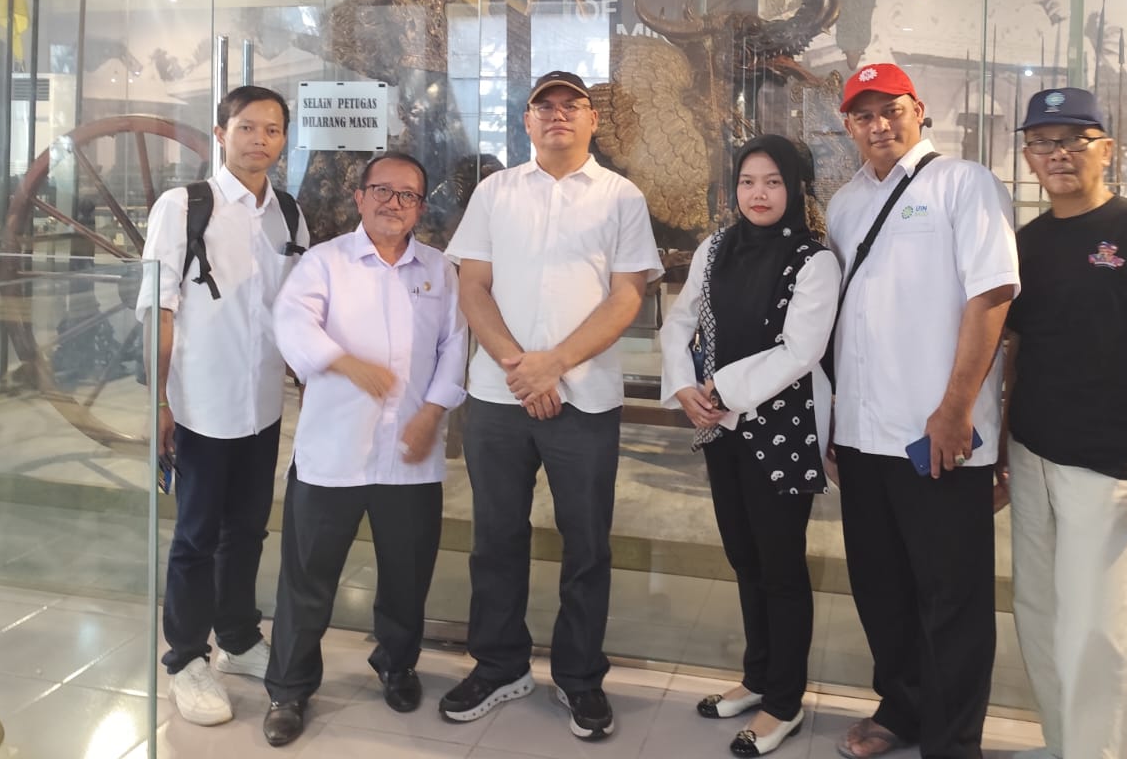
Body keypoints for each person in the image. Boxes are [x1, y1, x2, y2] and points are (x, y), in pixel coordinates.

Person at [440, 71, 663, 742]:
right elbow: (472, 286)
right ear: (527, 121)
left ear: (593, 120)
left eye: (572, 105)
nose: (558, 114)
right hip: (500, 395)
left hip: (584, 399)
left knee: (587, 545)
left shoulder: (621, 196)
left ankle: (579, 676)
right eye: (545, 106)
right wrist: (522, 366)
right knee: (495, 538)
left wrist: (554, 364)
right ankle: (499, 665)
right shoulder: (495, 191)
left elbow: (627, 296)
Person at [1002, 88, 1127, 759]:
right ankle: (1065, 744)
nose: (1058, 154)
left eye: (1075, 140)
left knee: (1098, 627)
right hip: (1032, 454)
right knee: (1041, 614)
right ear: (1028, 157)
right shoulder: (1028, 243)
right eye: (1043, 143)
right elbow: (1016, 351)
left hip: (1110, 462)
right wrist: (1002, 450)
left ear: (1106, 150)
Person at [827, 62, 1019, 759]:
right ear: (848, 125)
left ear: (919, 109)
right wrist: (832, 425)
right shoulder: (844, 203)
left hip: (939, 435)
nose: (879, 124)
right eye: (864, 114)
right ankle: (902, 710)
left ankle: (952, 741)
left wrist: (956, 408)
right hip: (860, 436)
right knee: (881, 589)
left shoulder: (965, 184)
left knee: (952, 599)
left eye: (892, 109)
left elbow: (992, 296)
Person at [258, 151, 468, 746]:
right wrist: (347, 363)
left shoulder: (440, 271)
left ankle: (396, 665)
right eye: (382, 191)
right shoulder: (325, 263)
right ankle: (289, 689)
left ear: (420, 207)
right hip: (334, 453)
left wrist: (433, 413)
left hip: (410, 454)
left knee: (407, 575)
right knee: (308, 579)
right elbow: (291, 323)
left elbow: (455, 346)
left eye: (407, 195)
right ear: (359, 197)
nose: (393, 204)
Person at [661, 135, 841, 758]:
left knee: (781, 566)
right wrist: (683, 386)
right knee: (744, 558)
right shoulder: (715, 248)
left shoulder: (814, 260)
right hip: (721, 426)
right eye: (747, 181)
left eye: (772, 182)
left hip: (783, 429)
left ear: (794, 188)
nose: (758, 194)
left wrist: (719, 389)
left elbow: (801, 350)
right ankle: (758, 678)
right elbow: (680, 321)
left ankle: (784, 704)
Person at [137, 85, 310, 726]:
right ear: (221, 134)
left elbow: (298, 311)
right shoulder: (183, 207)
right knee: (195, 536)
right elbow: (159, 309)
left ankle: (236, 638)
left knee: (248, 529)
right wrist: (158, 401)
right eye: (246, 127)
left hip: (262, 404)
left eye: (272, 129)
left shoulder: (289, 214)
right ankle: (185, 658)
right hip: (201, 406)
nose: (260, 140)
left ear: (284, 139)